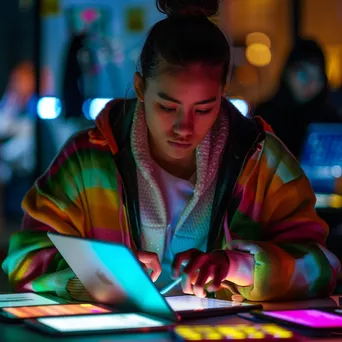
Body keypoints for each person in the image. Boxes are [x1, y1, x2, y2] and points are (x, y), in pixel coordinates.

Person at [2, 0, 340, 302]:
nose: (184, 127)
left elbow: (323, 266)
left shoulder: (261, 163)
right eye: (167, 107)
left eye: (205, 109)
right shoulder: (87, 160)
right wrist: (106, 273)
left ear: (223, 93)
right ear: (139, 88)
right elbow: (24, 259)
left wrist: (239, 267)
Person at [253, 38, 341, 158]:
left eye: (318, 78)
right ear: (288, 72)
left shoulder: (329, 121)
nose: (311, 84)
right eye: (304, 75)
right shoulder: (265, 117)